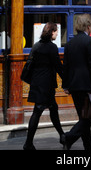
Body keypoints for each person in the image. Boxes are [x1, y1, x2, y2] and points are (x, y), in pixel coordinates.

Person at [62, 14, 91, 151]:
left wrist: (65, 85)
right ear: (88, 26)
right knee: (89, 117)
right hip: (87, 85)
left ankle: (88, 145)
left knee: (83, 115)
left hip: (73, 86)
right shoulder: (90, 41)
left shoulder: (69, 43)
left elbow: (65, 66)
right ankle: (68, 137)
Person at [23, 22, 65, 150]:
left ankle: (62, 136)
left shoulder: (36, 46)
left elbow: (29, 64)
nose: (57, 33)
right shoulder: (52, 48)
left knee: (47, 110)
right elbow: (58, 67)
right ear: (51, 32)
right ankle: (29, 143)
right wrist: (68, 80)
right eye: (56, 31)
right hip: (46, 86)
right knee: (41, 111)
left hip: (37, 84)